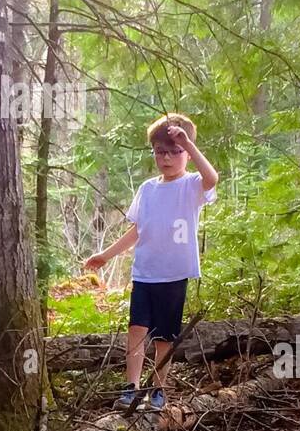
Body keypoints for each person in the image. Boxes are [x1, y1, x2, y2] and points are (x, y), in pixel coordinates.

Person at [84, 114, 218, 411]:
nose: (167, 158)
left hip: (174, 274)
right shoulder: (147, 189)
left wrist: (188, 142)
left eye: (175, 151)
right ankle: (130, 387)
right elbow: (137, 230)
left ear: (186, 151)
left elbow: (212, 178)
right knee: (136, 330)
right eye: (160, 152)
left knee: (164, 338)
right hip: (145, 272)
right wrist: (106, 255)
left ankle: (158, 389)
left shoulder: (192, 185)